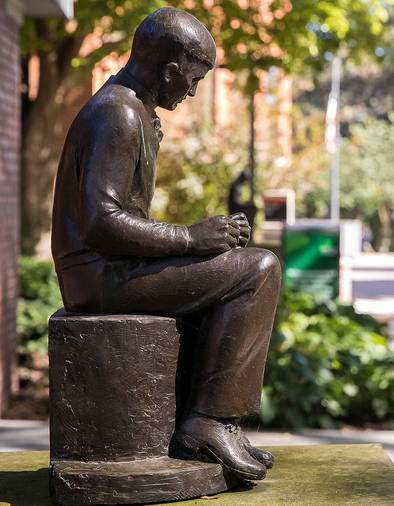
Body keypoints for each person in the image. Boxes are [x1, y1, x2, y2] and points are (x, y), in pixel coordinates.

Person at [50, 8, 278, 481]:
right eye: (192, 81)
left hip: (107, 270)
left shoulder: (133, 110)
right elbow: (100, 223)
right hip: (101, 277)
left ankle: (217, 424)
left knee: (234, 263)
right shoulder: (117, 113)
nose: (192, 93)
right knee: (258, 270)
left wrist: (199, 242)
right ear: (170, 71)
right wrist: (190, 238)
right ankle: (209, 425)